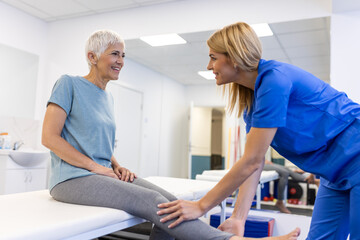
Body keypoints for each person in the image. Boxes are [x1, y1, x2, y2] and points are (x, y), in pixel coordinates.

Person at [41, 29, 297, 240]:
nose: (121, 61)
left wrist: (116, 166)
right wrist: (97, 168)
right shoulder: (69, 83)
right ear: (92, 56)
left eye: (123, 55)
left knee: (173, 201)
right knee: (153, 200)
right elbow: (50, 138)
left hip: (102, 173)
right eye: (114, 54)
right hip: (71, 180)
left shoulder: (107, 97)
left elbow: (96, 144)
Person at [157, 22, 360, 240]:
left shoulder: (275, 79)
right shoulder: (252, 103)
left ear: (235, 58)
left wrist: (201, 206)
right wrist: (237, 218)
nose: (209, 66)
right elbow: (255, 163)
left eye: (213, 57)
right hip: (334, 177)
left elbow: (251, 161)